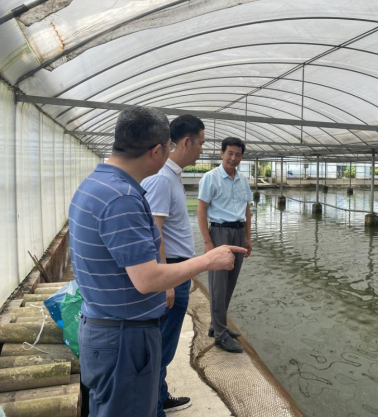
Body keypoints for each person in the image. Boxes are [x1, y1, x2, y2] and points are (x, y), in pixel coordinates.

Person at [71, 107, 246, 417]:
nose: (170, 152)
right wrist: (207, 260)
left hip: (107, 326)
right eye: (168, 146)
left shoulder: (97, 185)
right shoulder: (122, 198)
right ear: (156, 151)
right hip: (123, 338)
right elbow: (147, 279)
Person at [141, 115, 205, 416]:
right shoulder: (162, 179)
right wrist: (166, 282)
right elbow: (155, 233)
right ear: (186, 142)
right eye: (201, 143)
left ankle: (160, 396)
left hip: (177, 271)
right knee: (161, 348)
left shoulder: (171, 177)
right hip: (171, 274)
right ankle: (154, 408)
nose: (202, 149)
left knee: (164, 345)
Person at [197, 137, 253, 353]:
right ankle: (220, 336)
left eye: (238, 155)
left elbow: (247, 210)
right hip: (220, 231)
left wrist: (248, 237)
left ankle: (217, 325)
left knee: (230, 281)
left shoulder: (243, 179)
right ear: (221, 153)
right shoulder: (211, 178)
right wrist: (207, 242)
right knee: (218, 283)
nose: (233, 158)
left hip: (238, 232)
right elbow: (201, 210)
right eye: (229, 153)